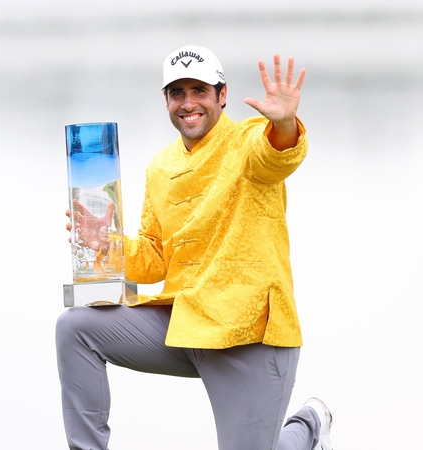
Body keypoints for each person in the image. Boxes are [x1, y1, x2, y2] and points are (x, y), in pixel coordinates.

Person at [56, 44, 333, 450]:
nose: (188, 104)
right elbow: (154, 258)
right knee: (76, 327)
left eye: (199, 90)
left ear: (222, 95)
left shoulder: (249, 140)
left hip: (250, 336)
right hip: (184, 323)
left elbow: (277, 155)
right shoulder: (160, 166)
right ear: (166, 101)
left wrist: (286, 123)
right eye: (177, 93)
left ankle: (308, 427)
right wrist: (107, 244)